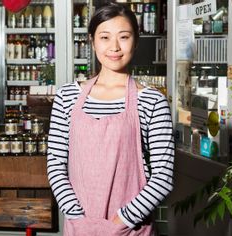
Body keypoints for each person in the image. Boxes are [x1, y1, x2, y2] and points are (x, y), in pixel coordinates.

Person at [47, 2, 174, 235]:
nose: (114, 47)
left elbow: (163, 177)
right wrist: (79, 218)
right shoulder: (67, 96)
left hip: (129, 229)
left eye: (123, 37)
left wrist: (120, 222)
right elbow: (55, 165)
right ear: (92, 41)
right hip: (81, 227)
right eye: (105, 37)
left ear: (135, 41)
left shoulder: (152, 101)